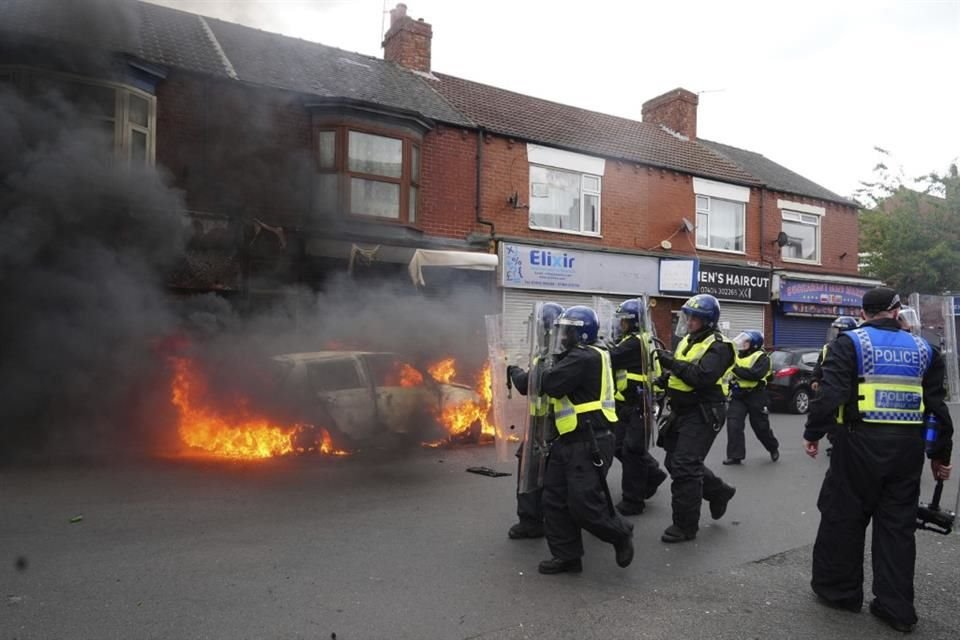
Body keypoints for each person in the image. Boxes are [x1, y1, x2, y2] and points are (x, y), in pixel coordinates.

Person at [803, 287, 954, 632]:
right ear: (896, 310)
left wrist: (813, 433)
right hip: (907, 448)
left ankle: (840, 592)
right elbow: (937, 409)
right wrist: (940, 455)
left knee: (844, 517)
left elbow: (831, 395)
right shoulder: (925, 349)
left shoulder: (850, 343)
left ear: (865, 312)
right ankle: (896, 608)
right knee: (897, 528)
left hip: (857, 443)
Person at [536, 305, 635, 574]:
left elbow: (552, 383)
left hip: (588, 439)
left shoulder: (583, 357)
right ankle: (567, 556)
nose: (563, 335)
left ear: (581, 334)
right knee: (554, 499)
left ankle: (620, 533)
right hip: (568, 437)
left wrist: (524, 375)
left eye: (568, 331)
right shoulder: (580, 354)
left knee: (583, 504)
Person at [655, 294, 737, 543]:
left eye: (695, 318)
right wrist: (663, 381)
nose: (689, 322)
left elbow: (702, 376)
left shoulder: (719, 347)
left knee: (685, 466)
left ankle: (685, 526)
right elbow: (680, 372)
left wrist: (671, 362)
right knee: (673, 461)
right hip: (682, 409)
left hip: (704, 411)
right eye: (688, 317)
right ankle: (719, 491)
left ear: (708, 322)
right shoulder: (688, 341)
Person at [506, 302, 564, 540]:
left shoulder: (551, 356)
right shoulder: (553, 352)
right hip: (551, 423)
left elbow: (527, 383)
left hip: (547, 425)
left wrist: (514, 371)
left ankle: (532, 522)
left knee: (530, 470)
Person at [608, 298, 668, 515]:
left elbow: (611, 358)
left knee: (632, 451)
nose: (620, 324)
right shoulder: (633, 339)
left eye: (624, 321)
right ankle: (652, 473)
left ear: (634, 322)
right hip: (627, 402)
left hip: (638, 403)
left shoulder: (635, 342)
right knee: (619, 446)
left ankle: (633, 500)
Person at [723, 330, 779, 465]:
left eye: (746, 341)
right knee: (733, 424)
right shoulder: (737, 356)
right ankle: (735, 456)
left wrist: (735, 369)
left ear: (754, 344)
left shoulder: (763, 358)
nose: (743, 343)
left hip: (756, 395)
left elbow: (754, 374)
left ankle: (773, 447)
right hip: (738, 395)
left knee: (760, 426)